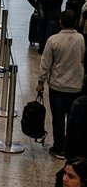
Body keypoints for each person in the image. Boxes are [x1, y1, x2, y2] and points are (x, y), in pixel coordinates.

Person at [37, 10, 85, 159]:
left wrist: (40, 82)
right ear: (75, 22)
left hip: (57, 86)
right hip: (76, 85)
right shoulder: (81, 39)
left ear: (60, 22)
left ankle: (59, 148)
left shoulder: (53, 40)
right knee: (72, 119)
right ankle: (71, 148)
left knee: (58, 119)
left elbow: (45, 64)